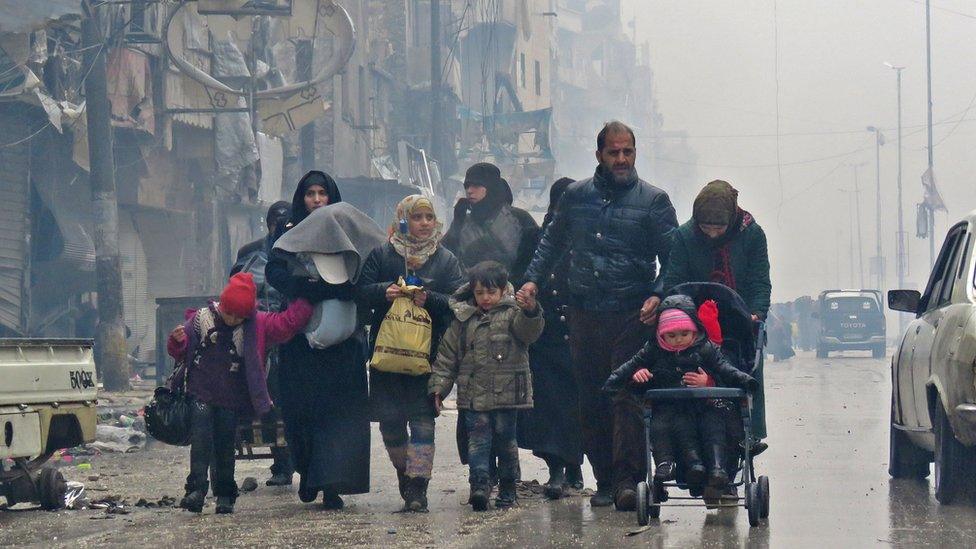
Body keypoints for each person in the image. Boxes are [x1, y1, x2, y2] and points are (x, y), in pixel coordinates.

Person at [519, 121, 678, 511]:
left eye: (628, 152)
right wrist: (532, 282)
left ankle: (628, 482)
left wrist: (658, 294)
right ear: (600, 155)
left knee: (626, 397)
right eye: (614, 152)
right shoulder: (575, 197)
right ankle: (604, 479)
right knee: (590, 398)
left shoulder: (654, 201)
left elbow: (674, 260)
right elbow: (550, 243)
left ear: (635, 153)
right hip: (584, 313)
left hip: (632, 316)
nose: (621, 159)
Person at [265, 171, 383, 509]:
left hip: (343, 346)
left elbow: (368, 272)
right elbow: (276, 273)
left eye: (322, 194)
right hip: (301, 343)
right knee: (302, 412)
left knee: (340, 416)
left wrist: (338, 289)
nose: (317, 200)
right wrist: (309, 288)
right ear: (301, 198)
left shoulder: (351, 230)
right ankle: (307, 473)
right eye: (310, 194)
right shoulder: (288, 233)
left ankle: (332, 485)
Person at [167, 273, 313, 514]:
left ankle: (225, 495)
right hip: (200, 393)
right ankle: (196, 491)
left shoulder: (257, 325)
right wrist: (177, 341)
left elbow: (287, 324)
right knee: (201, 441)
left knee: (225, 445)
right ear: (222, 305)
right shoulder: (200, 319)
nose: (233, 319)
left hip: (231, 400)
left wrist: (306, 297)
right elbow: (179, 351)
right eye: (229, 313)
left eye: (239, 316)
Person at [359, 195, 465, 512]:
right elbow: (360, 294)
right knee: (390, 424)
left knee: (422, 424)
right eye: (416, 218)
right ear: (403, 220)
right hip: (387, 358)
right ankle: (405, 475)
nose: (423, 224)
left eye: (428, 218)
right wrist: (383, 292)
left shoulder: (445, 260)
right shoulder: (382, 255)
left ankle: (418, 487)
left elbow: (459, 302)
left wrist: (429, 298)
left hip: (426, 358)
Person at [603, 296, 757, 504]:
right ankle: (669, 464)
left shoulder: (706, 349)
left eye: (684, 334)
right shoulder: (653, 351)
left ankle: (718, 469)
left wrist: (732, 381)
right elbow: (631, 366)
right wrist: (630, 379)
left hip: (704, 405)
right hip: (670, 406)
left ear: (695, 330)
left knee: (713, 425)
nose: (679, 340)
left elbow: (725, 369)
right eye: (671, 335)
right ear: (661, 335)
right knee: (662, 426)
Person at [661, 179, 772, 443]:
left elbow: (759, 279)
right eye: (706, 228)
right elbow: (673, 279)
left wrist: (757, 312)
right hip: (693, 320)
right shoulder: (684, 236)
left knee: (746, 368)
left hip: (739, 320)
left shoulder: (752, 235)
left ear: (731, 219)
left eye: (718, 228)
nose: (712, 234)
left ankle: (748, 434)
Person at [428, 261, 544, 511]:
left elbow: (529, 333)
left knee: (506, 442)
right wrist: (438, 388)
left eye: (491, 292)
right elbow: (447, 357)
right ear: (472, 291)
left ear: (503, 290)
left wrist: (531, 311)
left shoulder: (514, 313)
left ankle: (508, 488)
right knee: (478, 442)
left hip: (508, 395)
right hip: (474, 396)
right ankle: (479, 486)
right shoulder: (462, 319)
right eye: (480, 293)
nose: (486, 298)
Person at [516, 177, 584, 499]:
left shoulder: (587, 237)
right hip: (545, 334)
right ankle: (557, 468)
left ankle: (574, 466)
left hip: (579, 332)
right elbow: (523, 275)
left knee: (575, 405)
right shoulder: (535, 238)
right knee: (549, 405)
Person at [230, 200, 294, 487]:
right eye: (276, 222)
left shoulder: (300, 251)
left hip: (291, 332)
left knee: (285, 397)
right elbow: (236, 289)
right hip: (257, 334)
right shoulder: (250, 253)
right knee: (256, 395)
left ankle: (284, 462)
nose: (280, 227)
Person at [442, 162, 539, 283]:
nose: (469, 191)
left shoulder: (519, 218)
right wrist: (456, 223)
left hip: (513, 294)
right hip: (472, 294)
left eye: (476, 185)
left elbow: (536, 259)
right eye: (467, 186)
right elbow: (446, 259)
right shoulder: (463, 222)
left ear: (490, 186)